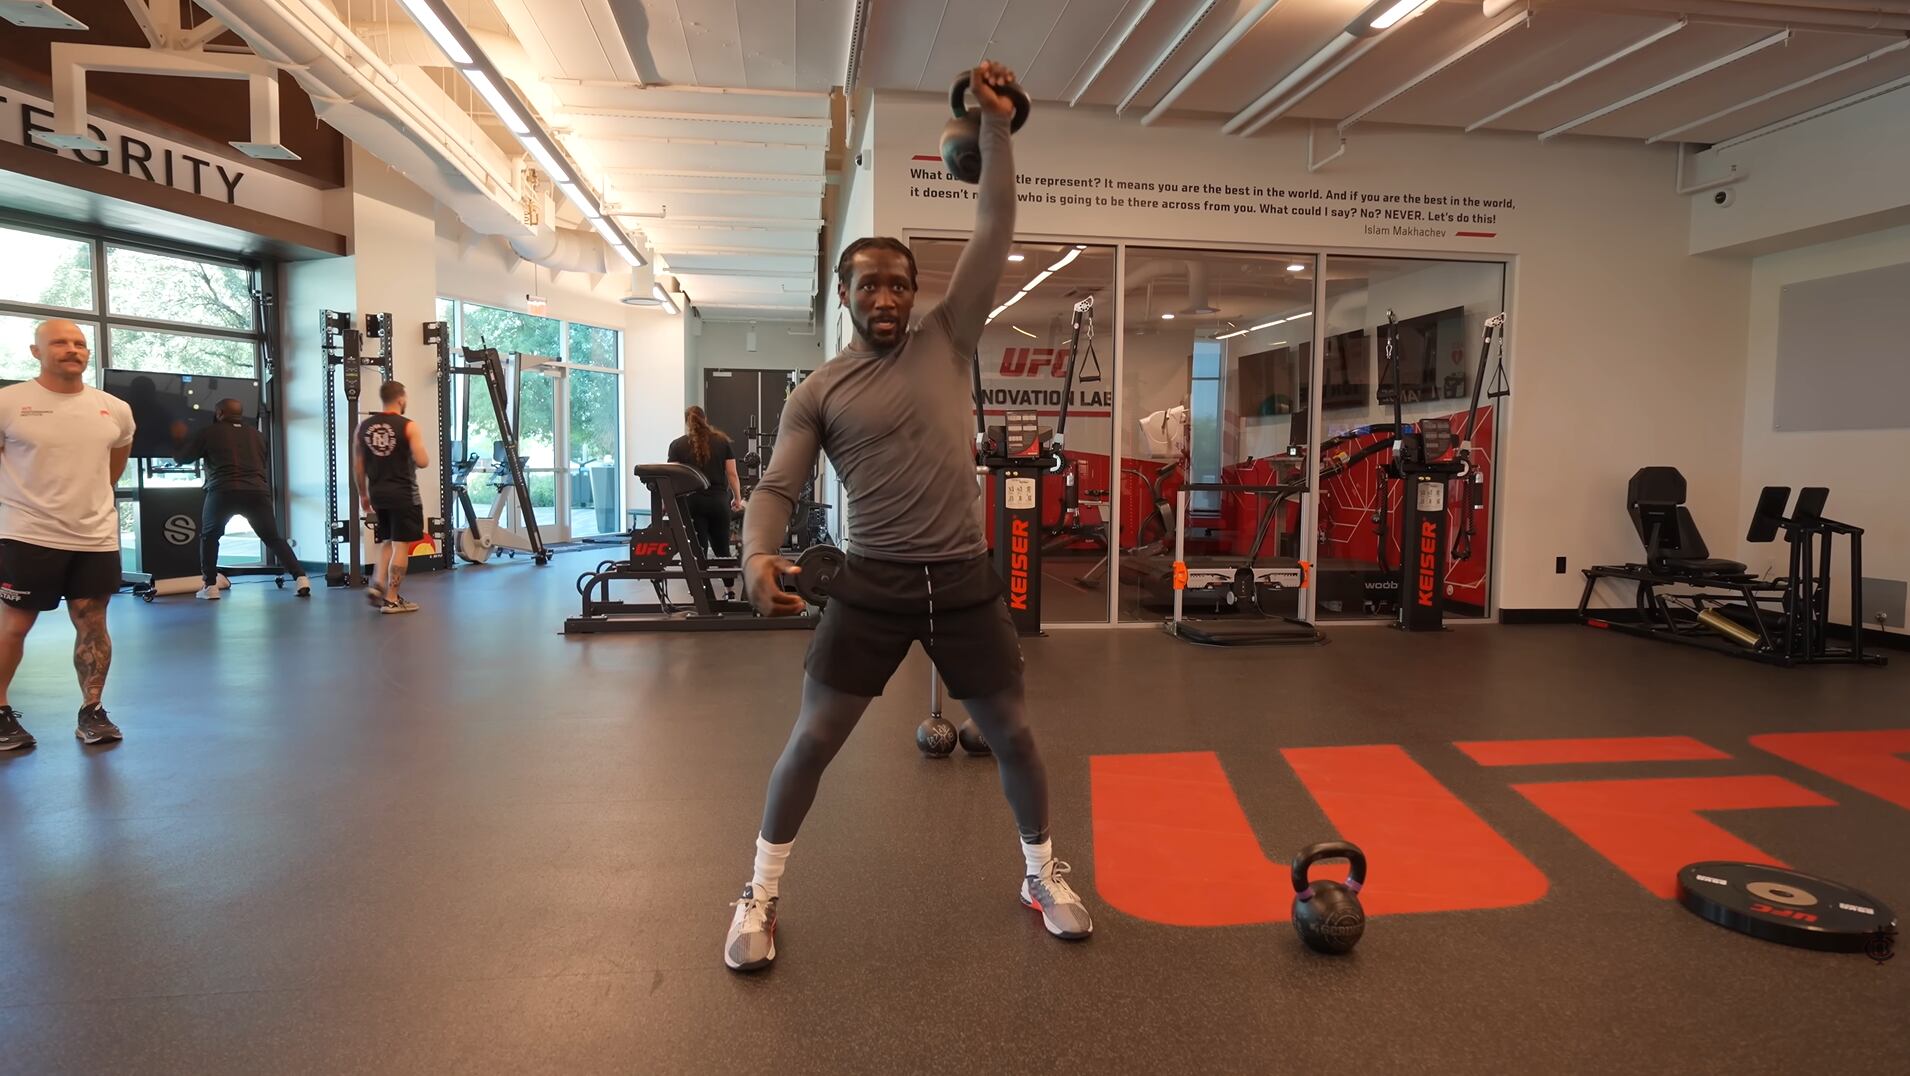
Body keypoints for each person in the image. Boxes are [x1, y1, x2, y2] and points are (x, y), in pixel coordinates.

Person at [724, 60, 1092, 972]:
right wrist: (756, 551)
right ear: (844, 297)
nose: (885, 298)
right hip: (875, 581)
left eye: (897, 284)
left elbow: (995, 222)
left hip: (963, 580)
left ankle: (1040, 872)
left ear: (915, 291)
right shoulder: (821, 389)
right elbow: (776, 487)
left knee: (1012, 732)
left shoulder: (949, 338)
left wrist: (997, 124)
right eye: (867, 287)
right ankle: (759, 893)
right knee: (812, 740)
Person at [0, 320, 135, 751]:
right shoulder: (9, 403)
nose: (72, 349)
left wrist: (89, 502)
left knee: (92, 622)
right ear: (36, 351)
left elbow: (115, 464)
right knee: (16, 624)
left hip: (94, 536)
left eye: (79, 343)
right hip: (27, 533)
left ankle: (92, 711)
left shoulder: (113, 408)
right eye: (59, 342)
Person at [171, 398, 310, 599]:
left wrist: (177, 439)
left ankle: (210, 586)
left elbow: (182, 458)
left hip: (222, 491)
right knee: (273, 538)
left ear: (219, 414)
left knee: (210, 537)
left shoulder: (209, 432)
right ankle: (301, 579)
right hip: (256, 492)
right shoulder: (258, 435)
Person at [354, 380, 429, 614]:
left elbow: (358, 466)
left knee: (387, 541)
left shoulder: (364, 427)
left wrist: (363, 495)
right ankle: (392, 598)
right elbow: (423, 461)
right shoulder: (408, 426)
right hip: (404, 494)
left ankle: (377, 583)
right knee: (401, 545)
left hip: (378, 494)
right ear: (401, 399)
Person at [666, 406, 742, 560]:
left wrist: (666, 503)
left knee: (698, 552)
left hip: (691, 503)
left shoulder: (677, 445)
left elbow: (671, 477)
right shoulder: (722, 442)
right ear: (705, 419)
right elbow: (732, 474)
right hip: (718, 502)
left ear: (687, 422)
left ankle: (700, 583)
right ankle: (728, 584)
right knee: (723, 551)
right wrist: (737, 498)